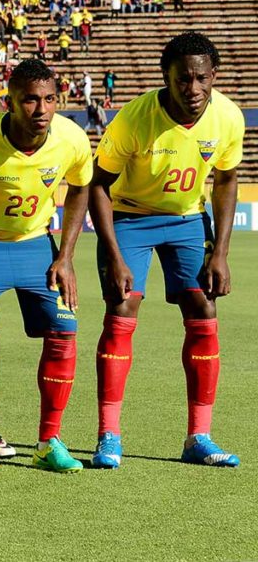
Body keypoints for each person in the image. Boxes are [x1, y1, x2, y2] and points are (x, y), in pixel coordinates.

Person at [90, 32, 242, 469]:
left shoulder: (229, 118)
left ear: (214, 76)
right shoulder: (134, 119)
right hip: (130, 217)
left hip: (188, 220)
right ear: (166, 78)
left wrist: (221, 253)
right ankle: (109, 437)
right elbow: (99, 184)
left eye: (200, 79)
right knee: (122, 312)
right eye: (182, 80)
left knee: (204, 310)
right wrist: (114, 254)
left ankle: (199, 437)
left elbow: (226, 180)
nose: (192, 90)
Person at [0, 59, 92, 475]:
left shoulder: (72, 139)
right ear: (9, 102)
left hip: (36, 248)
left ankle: (49, 441)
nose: (40, 109)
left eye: (49, 100)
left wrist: (65, 256)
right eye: (29, 100)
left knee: (65, 332)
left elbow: (80, 188)